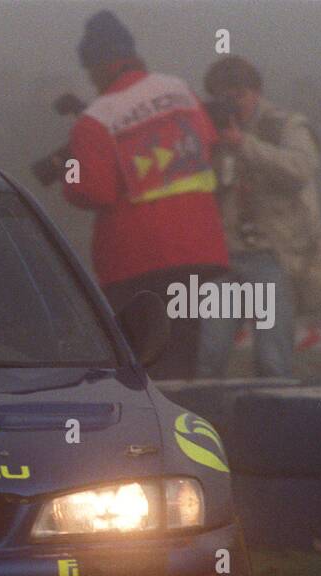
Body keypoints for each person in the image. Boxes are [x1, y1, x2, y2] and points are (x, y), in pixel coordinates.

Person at [61, 10, 228, 379]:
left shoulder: (95, 119)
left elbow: (94, 191)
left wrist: (68, 172)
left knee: (138, 364)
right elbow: (208, 145)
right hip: (198, 250)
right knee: (184, 355)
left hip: (136, 262)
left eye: (90, 71)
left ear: (100, 66)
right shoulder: (178, 90)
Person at [196, 55, 321, 378]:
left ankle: (275, 425)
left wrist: (243, 143)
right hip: (224, 256)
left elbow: (301, 168)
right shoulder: (210, 131)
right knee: (209, 354)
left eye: (237, 95)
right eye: (222, 97)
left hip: (272, 254)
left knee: (272, 358)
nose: (231, 104)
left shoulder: (285, 124)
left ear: (256, 92)